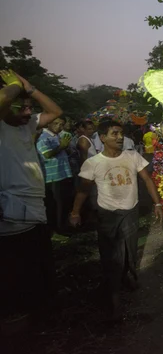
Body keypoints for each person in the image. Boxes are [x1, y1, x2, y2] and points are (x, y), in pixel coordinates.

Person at [70, 120, 163, 319]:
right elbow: (84, 190)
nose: (120, 137)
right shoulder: (93, 163)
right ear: (102, 138)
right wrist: (75, 212)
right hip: (107, 214)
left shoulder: (132, 156)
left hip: (131, 210)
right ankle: (113, 297)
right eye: (114, 134)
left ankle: (126, 277)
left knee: (130, 249)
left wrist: (157, 204)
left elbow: (147, 179)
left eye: (121, 133)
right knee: (111, 254)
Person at [0, 70, 63, 319]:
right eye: (20, 107)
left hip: (34, 206)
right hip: (11, 210)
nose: (27, 112)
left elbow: (55, 112)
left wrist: (31, 89)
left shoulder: (26, 126)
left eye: (29, 108)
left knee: (39, 262)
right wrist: (14, 85)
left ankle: (42, 309)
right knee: (16, 267)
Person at [37, 116, 74, 232]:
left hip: (62, 174)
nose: (59, 126)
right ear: (48, 124)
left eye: (61, 124)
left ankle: (61, 225)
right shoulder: (43, 137)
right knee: (55, 204)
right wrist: (61, 146)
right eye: (56, 123)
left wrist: (65, 147)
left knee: (62, 202)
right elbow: (46, 154)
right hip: (52, 176)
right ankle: (56, 228)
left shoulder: (57, 136)